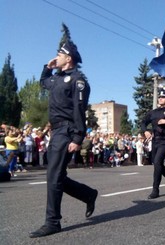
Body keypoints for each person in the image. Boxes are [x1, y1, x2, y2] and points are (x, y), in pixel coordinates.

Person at [29, 39, 98, 238]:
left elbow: (79, 110)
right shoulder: (57, 78)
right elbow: (43, 82)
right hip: (55, 132)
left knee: (54, 177)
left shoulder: (78, 81)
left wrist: (78, 136)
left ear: (68, 58)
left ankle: (52, 222)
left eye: (59, 55)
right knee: (56, 176)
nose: (56, 57)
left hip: (67, 131)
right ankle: (87, 194)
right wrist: (46, 67)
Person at [141, 88, 165, 199]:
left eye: (163, 97)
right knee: (158, 164)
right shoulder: (153, 112)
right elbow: (143, 122)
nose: (161, 99)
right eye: (160, 97)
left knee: (157, 162)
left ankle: (155, 190)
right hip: (155, 140)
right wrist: (146, 131)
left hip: (164, 140)